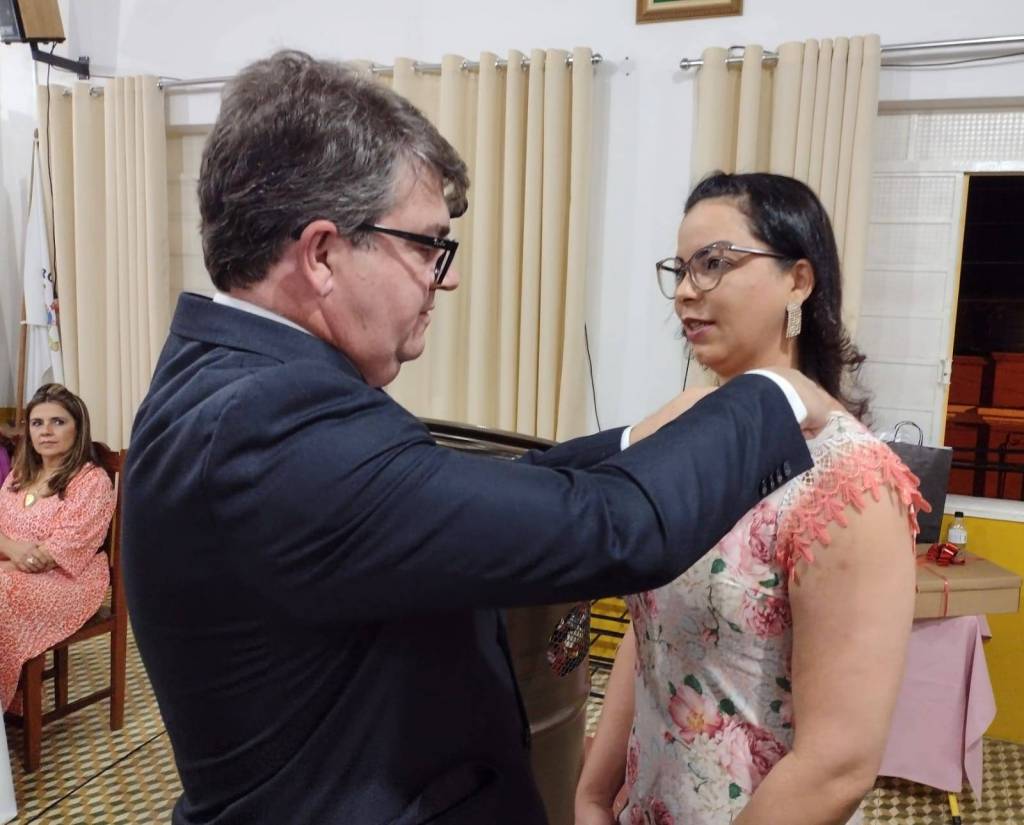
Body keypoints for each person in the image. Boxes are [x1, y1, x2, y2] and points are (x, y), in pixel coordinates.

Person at [123, 52, 832, 825]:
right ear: (323, 253)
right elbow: (614, 526)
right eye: (427, 245)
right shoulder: (269, 428)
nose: (446, 276)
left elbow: (451, 496)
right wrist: (774, 390)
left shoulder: (229, 379)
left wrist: (635, 438)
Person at [575, 173, 927, 825]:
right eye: (681, 268)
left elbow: (837, 765)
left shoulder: (849, 481)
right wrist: (594, 793)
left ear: (799, 281)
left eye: (714, 263)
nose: (687, 290)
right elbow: (655, 629)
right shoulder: (682, 434)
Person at [0, 383, 116, 711]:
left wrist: (17, 554)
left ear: (78, 429)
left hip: (71, 581)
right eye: (38, 423)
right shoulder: (19, 475)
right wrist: (15, 549)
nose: (46, 431)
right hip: (12, 568)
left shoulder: (91, 481)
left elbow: (58, 552)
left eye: (58, 422)